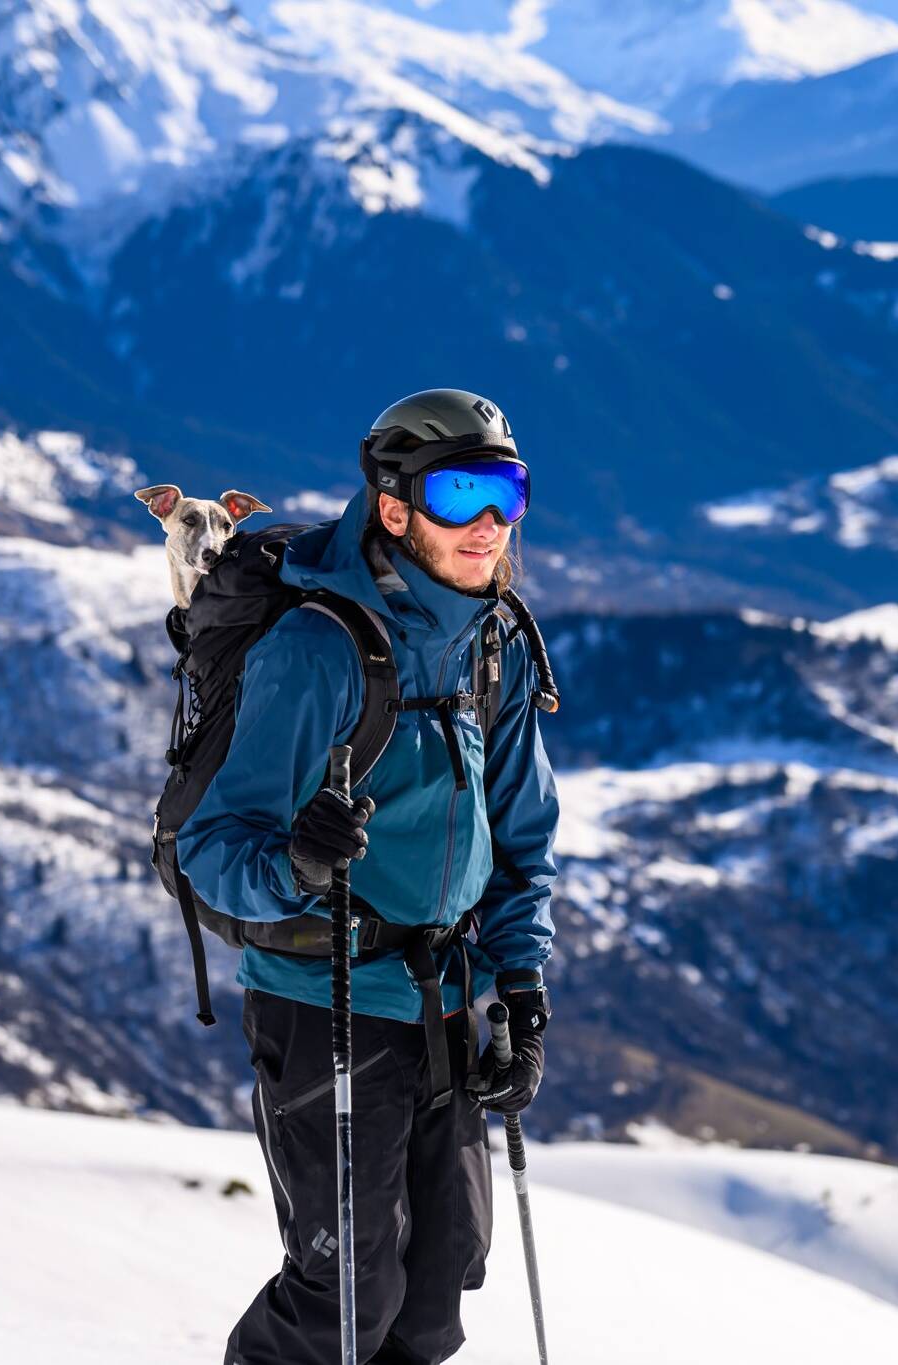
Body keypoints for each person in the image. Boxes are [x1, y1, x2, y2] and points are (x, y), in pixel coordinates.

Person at [177, 388, 560, 1365]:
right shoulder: (320, 650)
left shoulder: (496, 640)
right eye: (459, 493)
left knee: (435, 1296)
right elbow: (214, 847)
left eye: (505, 492)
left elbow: (523, 839)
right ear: (394, 508)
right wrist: (298, 865)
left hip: (447, 1001)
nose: (486, 523)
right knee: (343, 1297)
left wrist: (520, 986)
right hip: (326, 999)